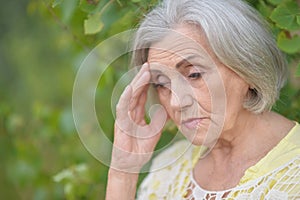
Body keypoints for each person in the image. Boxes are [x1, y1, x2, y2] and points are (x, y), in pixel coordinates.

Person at [106, 0, 300, 199]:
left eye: (194, 75)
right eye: (161, 83)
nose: (176, 102)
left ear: (248, 67)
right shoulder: (167, 172)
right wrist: (123, 173)